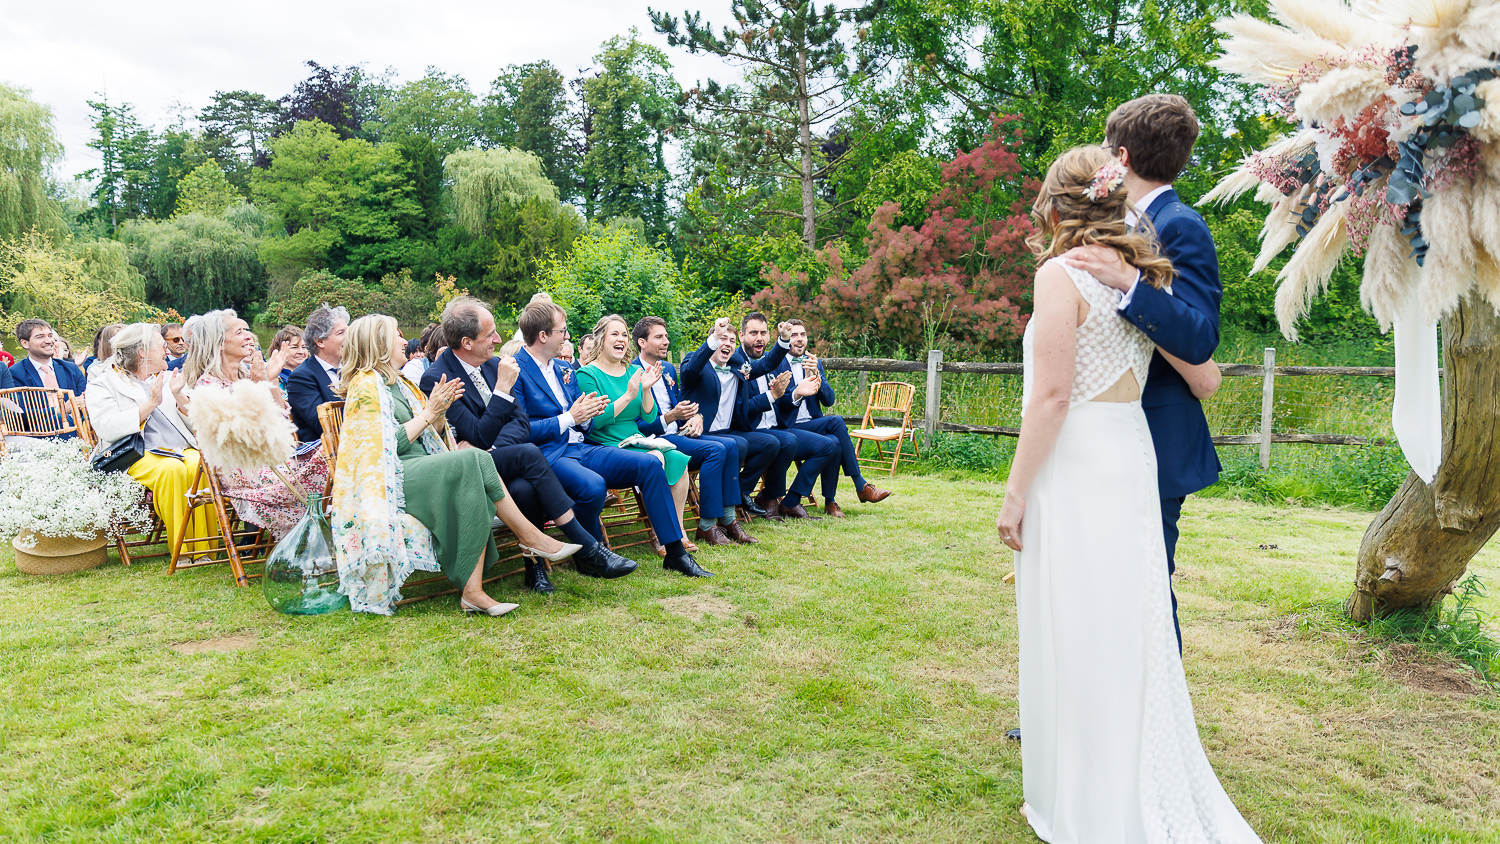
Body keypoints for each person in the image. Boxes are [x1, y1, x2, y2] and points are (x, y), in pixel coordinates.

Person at [993, 145, 1253, 842]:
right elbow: (1205, 374)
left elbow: (1049, 398)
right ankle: (1121, 770)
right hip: (1128, 452)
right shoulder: (1137, 274)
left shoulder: (1058, 275)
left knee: (1074, 618)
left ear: (1058, 203)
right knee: (1125, 619)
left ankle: (1087, 798)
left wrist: (1015, 495)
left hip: (1077, 458)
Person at [1061, 94, 1224, 653]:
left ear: (1122, 154)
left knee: (1147, 584)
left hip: (1154, 432)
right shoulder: (1111, 220)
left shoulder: (1181, 225)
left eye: (1108, 149)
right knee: (1096, 578)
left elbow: (1201, 337)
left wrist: (1130, 283)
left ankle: (1160, 724)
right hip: (1101, 432)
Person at [332, 314, 581, 616]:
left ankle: (473, 592)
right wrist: (428, 414)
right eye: (396, 334)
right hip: (393, 476)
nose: (403, 340)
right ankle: (530, 537)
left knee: (473, 470)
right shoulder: (364, 385)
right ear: (379, 343)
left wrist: (438, 416)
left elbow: (432, 433)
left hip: (423, 466)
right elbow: (384, 446)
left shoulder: (400, 383)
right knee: (475, 458)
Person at [420, 296, 636, 590]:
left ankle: (535, 570)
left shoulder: (494, 364)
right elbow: (479, 433)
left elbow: (519, 424)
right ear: (467, 342)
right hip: (465, 469)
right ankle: (588, 549)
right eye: (490, 334)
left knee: (524, 487)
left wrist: (494, 446)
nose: (498, 338)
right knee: (530, 454)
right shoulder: (438, 377)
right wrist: (501, 392)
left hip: (498, 459)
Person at [512, 300, 711, 577]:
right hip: (551, 452)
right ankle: (590, 555)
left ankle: (676, 553)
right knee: (593, 488)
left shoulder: (561, 368)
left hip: (583, 445)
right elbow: (521, 430)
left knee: (652, 464)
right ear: (544, 336)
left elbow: (591, 420)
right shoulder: (515, 368)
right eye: (563, 331)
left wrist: (600, 409)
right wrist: (573, 417)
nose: (568, 336)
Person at [184, 310, 331, 542]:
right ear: (219, 343)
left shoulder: (247, 376)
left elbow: (281, 422)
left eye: (247, 330)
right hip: (245, 468)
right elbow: (241, 435)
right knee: (323, 468)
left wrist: (269, 381)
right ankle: (313, 538)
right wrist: (259, 383)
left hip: (274, 460)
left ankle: (322, 535)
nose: (249, 336)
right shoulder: (207, 386)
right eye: (239, 332)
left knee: (333, 454)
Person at [85, 323, 218, 549]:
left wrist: (178, 396)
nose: (167, 349)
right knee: (171, 470)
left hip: (179, 447)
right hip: (133, 453)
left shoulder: (169, 378)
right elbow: (107, 428)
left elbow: (198, 419)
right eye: (161, 345)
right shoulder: (103, 383)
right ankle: (183, 549)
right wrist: (151, 404)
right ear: (143, 352)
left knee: (199, 463)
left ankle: (206, 547)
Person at [632, 316, 760, 544]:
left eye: (666, 336)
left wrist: (697, 415)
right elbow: (637, 425)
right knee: (717, 450)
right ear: (642, 342)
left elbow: (683, 402)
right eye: (659, 337)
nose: (666, 342)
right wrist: (671, 417)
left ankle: (729, 519)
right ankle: (707, 525)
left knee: (730, 444)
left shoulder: (669, 368)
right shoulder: (631, 373)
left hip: (679, 434)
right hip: (655, 440)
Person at [678, 321, 796, 518]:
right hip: (700, 434)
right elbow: (691, 370)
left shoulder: (736, 366)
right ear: (714, 340)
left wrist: (783, 340)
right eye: (723, 338)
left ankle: (740, 491)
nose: (728, 343)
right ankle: (726, 513)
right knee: (737, 444)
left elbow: (766, 364)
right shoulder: (695, 362)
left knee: (770, 443)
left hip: (729, 431)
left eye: (732, 340)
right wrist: (715, 337)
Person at [772, 320, 892, 512]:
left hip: (812, 424)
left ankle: (830, 502)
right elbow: (780, 405)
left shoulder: (815, 362)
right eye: (794, 335)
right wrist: (800, 389)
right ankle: (860, 484)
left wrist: (816, 374)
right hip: (787, 427)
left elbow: (828, 400)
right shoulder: (775, 363)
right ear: (786, 338)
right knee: (835, 422)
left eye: (803, 334)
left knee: (835, 440)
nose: (800, 339)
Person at [731, 313, 841, 519]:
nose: (759, 338)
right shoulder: (737, 362)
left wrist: (796, 392)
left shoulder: (770, 362)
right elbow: (740, 409)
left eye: (763, 333)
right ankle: (769, 497)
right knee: (786, 440)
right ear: (741, 335)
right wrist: (774, 395)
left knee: (830, 443)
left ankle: (790, 500)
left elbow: (787, 402)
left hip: (779, 426)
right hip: (752, 430)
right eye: (753, 333)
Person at [9, 319, 87, 439]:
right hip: (40, 433)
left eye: (50, 336)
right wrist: (60, 410)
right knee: (61, 420)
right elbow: (20, 415)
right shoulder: (15, 374)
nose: (49, 341)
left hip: (79, 424)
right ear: (25, 343)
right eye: (40, 337)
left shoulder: (71, 368)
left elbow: (85, 397)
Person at [286, 304, 348, 444]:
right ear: (320, 341)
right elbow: (323, 424)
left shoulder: (350, 369)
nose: (349, 337)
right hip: (326, 454)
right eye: (341, 333)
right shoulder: (302, 377)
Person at [268, 325, 309, 397]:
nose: (301, 352)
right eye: (294, 347)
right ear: (279, 350)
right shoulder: (271, 376)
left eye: (304, 347)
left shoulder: (313, 372)